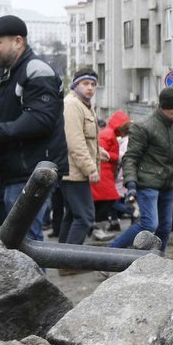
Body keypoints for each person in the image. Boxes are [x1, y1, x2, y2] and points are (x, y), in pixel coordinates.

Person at [0, 15, 68, 242]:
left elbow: (41, 120)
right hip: (11, 173)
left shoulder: (36, 70)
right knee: (15, 243)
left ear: (18, 41)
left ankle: (38, 279)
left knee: (24, 243)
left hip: (33, 172)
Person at [109, 88, 173, 251]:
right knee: (149, 224)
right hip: (147, 183)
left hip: (167, 184)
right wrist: (131, 184)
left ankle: (156, 260)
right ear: (164, 107)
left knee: (165, 227)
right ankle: (109, 253)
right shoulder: (144, 127)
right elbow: (130, 158)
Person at [59, 67, 111, 245]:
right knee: (85, 217)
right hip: (74, 172)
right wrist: (90, 168)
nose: (90, 88)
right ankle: (69, 262)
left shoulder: (85, 105)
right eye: (85, 83)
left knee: (72, 215)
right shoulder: (72, 105)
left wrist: (99, 151)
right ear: (75, 85)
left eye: (93, 84)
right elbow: (75, 142)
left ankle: (60, 259)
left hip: (74, 170)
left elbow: (87, 138)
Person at [92, 110, 131, 228]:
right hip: (104, 172)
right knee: (110, 199)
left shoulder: (108, 133)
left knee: (105, 201)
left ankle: (97, 227)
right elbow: (101, 153)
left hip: (105, 172)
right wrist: (117, 157)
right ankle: (97, 227)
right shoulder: (108, 134)